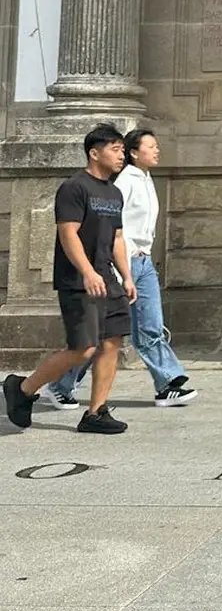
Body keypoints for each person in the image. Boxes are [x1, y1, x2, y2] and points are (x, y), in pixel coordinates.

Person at [41, 129, 198, 410]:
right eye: (151, 146)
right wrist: (104, 270)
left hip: (140, 262)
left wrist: (130, 273)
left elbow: (120, 232)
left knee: (137, 328)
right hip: (109, 266)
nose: (157, 150)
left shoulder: (140, 182)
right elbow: (92, 231)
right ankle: (53, 385)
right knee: (95, 338)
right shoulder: (117, 183)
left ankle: (166, 383)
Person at [3, 123, 138, 435]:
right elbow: (68, 234)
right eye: (115, 150)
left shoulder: (114, 192)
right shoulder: (74, 187)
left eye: (122, 150)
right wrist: (87, 271)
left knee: (111, 343)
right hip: (79, 280)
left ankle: (96, 412)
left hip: (109, 279)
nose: (121, 156)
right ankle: (22, 388)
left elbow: (117, 238)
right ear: (94, 152)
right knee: (83, 348)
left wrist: (127, 276)